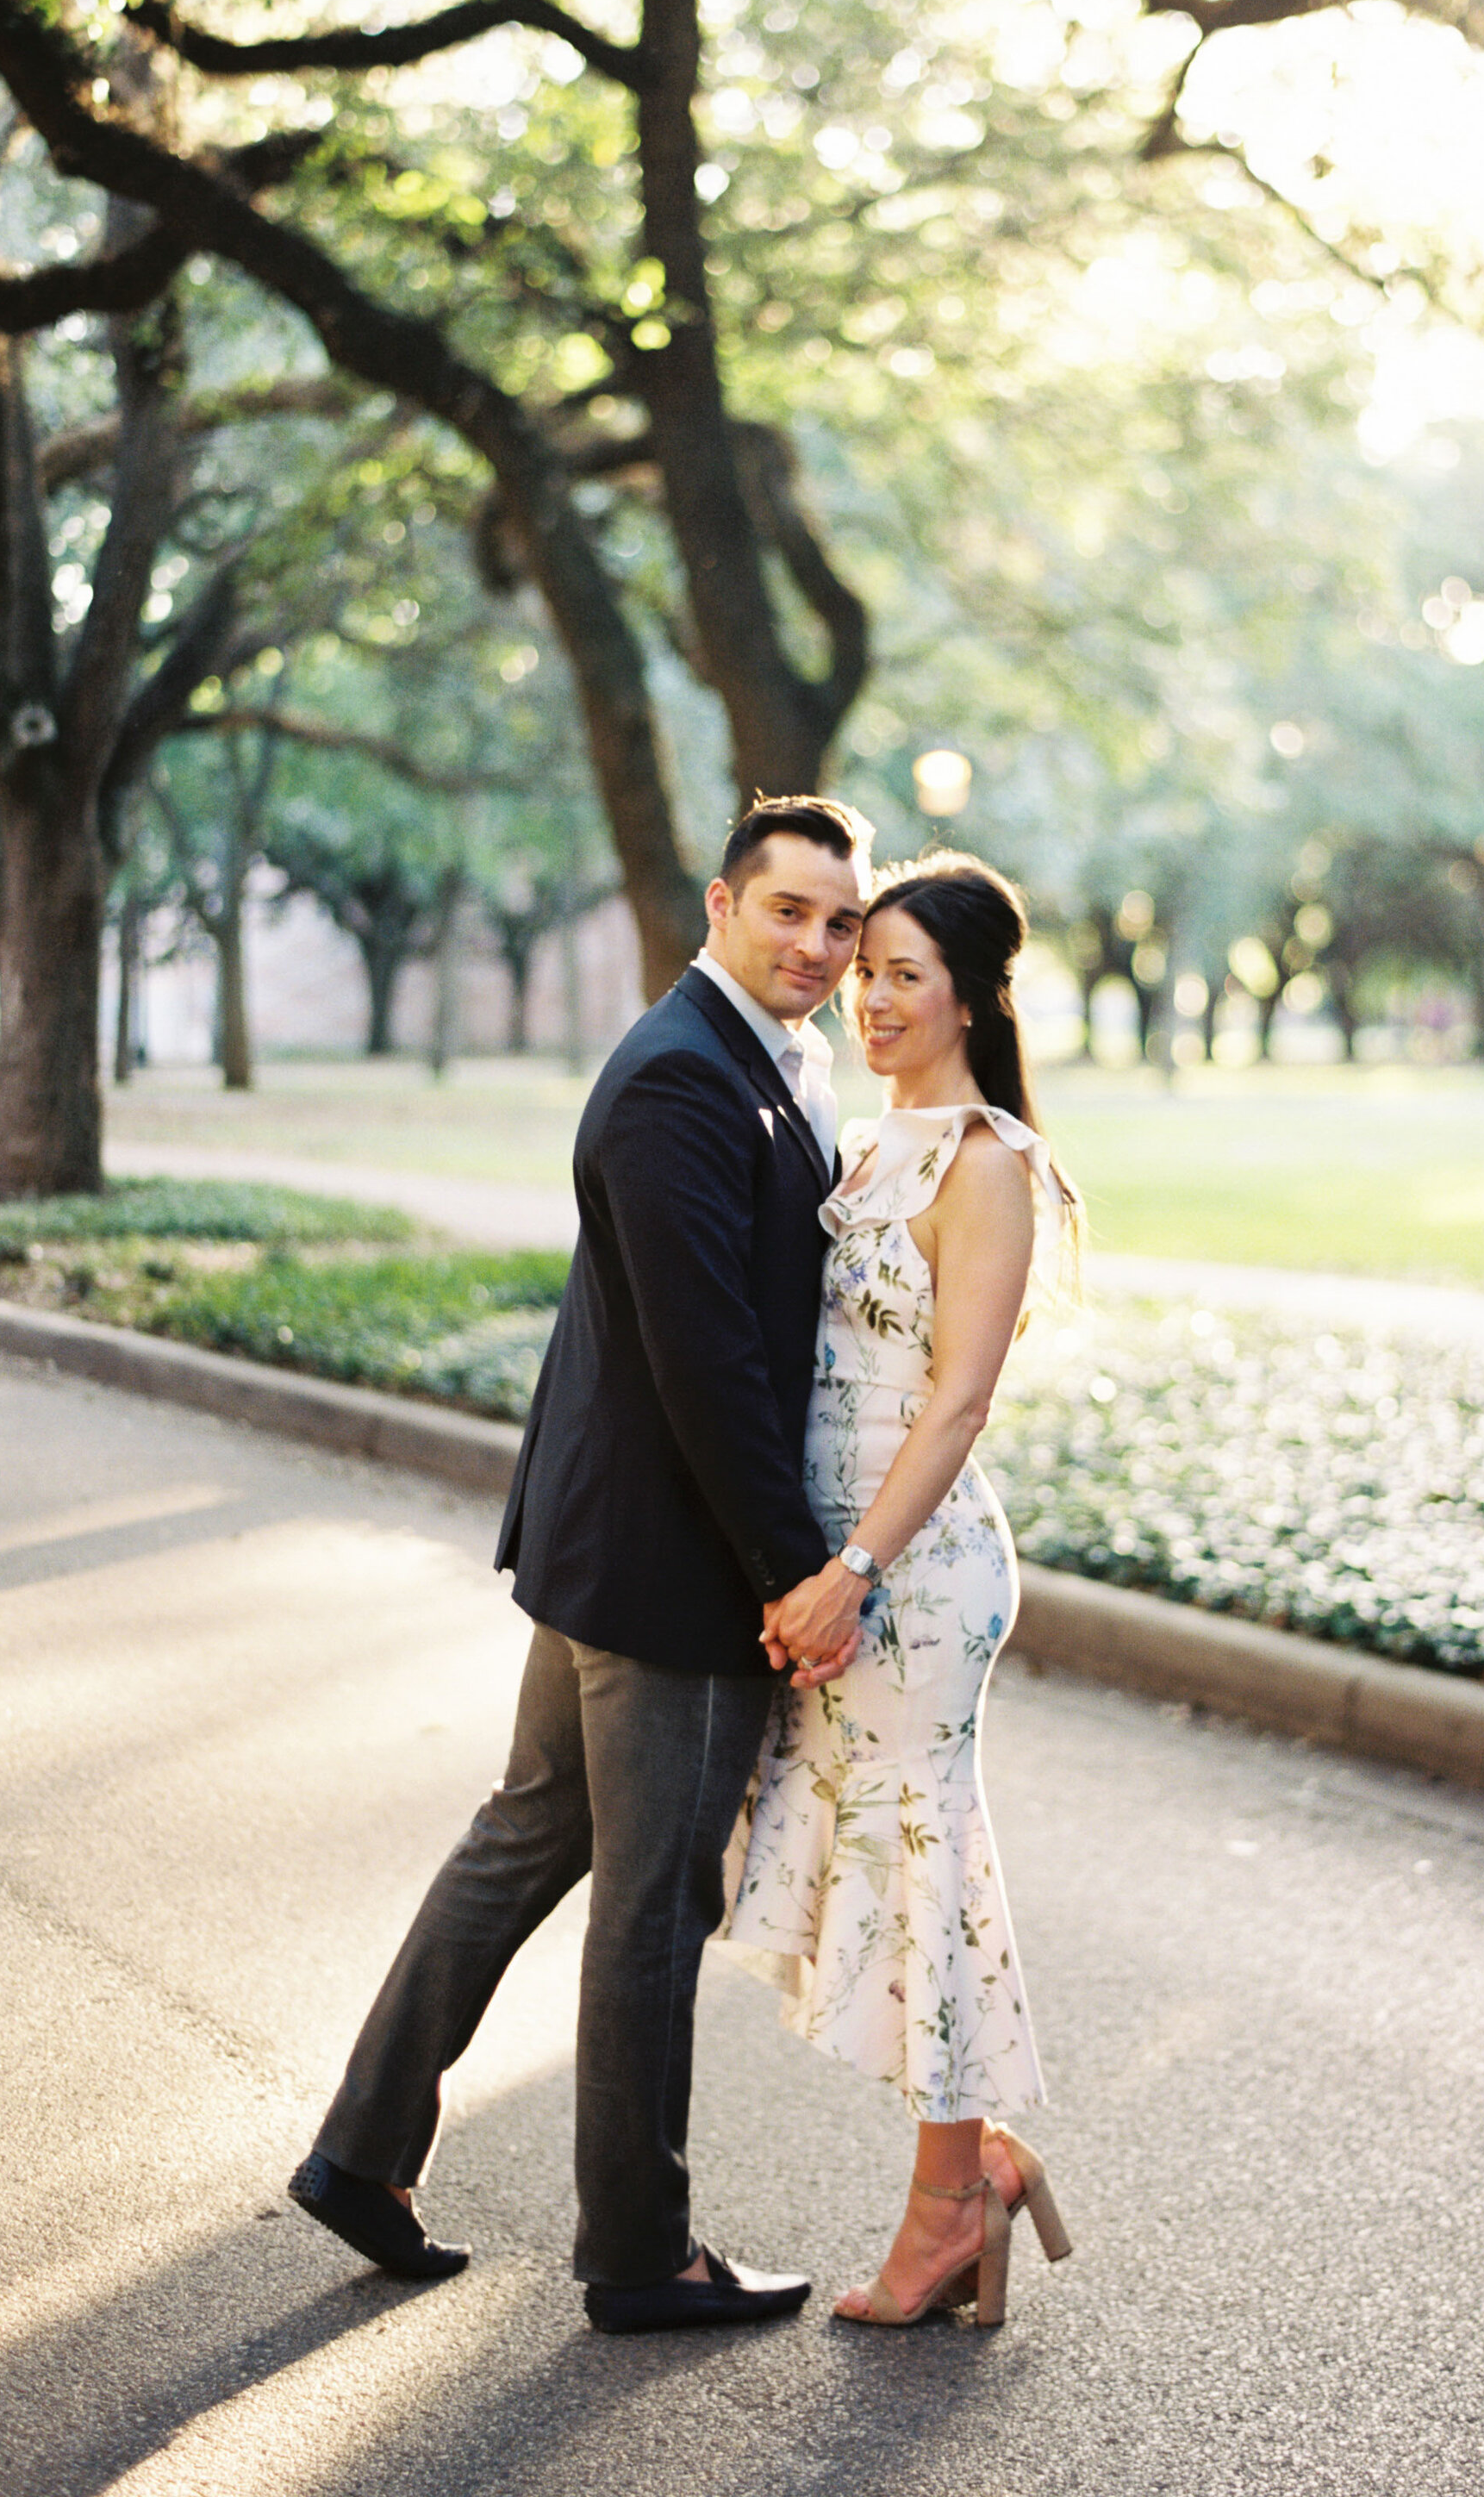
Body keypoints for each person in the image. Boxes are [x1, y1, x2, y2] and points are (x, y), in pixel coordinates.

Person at [288, 796, 871, 2335]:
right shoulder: (680, 1079)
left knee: (531, 1829)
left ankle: (361, 2149)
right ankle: (638, 2249)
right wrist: (796, 1570)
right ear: (719, 904)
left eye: (840, 920)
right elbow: (708, 1368)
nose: (816, 943)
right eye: (789, 910)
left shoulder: (761, 1058)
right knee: (651, 1899)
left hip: (611, 1539)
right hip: (668, 1565)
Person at [722, 852, 1082, 2328]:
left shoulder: (983, 1162)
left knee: (930, 1871)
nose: (868, 996)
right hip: (840, 1558)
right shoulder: (869, 1143)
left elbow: (958, 1402)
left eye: (901, 976)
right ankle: (974, 2155)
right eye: (863, 970)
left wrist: (855, 1570)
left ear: (972, 998)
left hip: (914, 1574)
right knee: (898, 1870)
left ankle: (947, 2209)